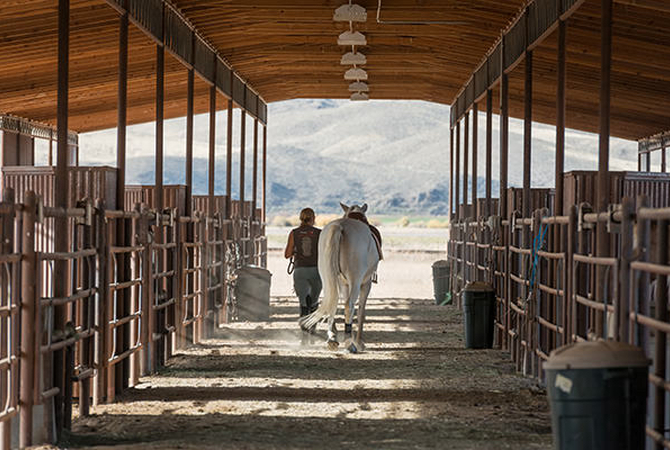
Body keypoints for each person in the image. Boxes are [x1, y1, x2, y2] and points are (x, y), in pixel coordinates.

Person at [284, 208, 322, 318]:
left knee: (303, 302)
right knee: (314, 301)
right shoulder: (319, 233)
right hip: (316, 271)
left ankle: (304, 329)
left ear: (301, 218)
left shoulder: (294, 233)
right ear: (313, 218)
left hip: (300, 270)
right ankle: (312, 328)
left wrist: (296, 252)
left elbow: (287, 254)